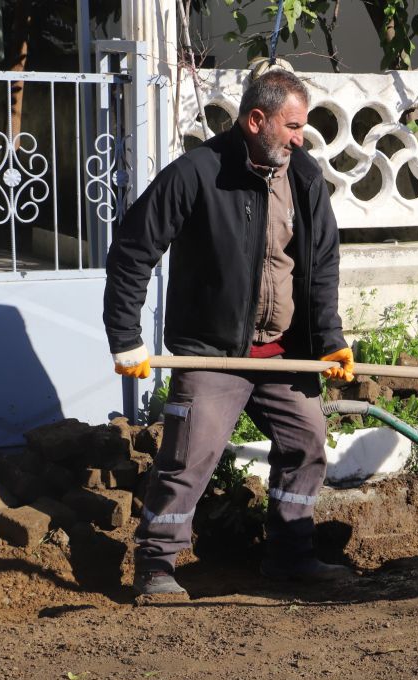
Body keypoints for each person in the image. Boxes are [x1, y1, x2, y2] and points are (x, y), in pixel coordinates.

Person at [102, 68, 356, 595]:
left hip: (283, 353)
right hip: (212, 352)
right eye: (291, 125)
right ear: (256, 119)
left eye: (302, 126)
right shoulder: (197, 173)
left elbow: (321, 263)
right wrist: (125, 336)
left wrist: (329, 338)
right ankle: (156, 566)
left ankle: (290, 556)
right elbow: (132, 252)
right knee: (189, 457)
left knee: (307, 443)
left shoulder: (305, 178)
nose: (299, 136)